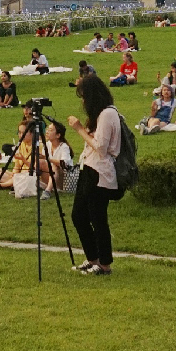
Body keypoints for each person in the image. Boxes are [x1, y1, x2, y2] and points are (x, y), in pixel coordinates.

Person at [67, 74, 123, 276]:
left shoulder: (108, 114)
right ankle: (93, 258)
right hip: (88, 167)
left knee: (98, 218)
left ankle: (105, 264)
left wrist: (79, 129)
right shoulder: (100, 114)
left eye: (84, 96)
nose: (82, 101)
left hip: (100, 171)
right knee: (78, 215)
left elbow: (101, 147)